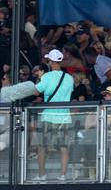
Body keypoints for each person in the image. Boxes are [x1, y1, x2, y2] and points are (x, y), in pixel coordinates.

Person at [31, 49, 75, 181]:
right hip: (64, 116)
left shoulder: (47, 77)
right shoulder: (69, 78)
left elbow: (35, 92)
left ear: (50, 62)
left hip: (49, 115)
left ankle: (42, 174)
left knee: (42, 147)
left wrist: (39, 78)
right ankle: (63, 175)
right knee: (64, 147)